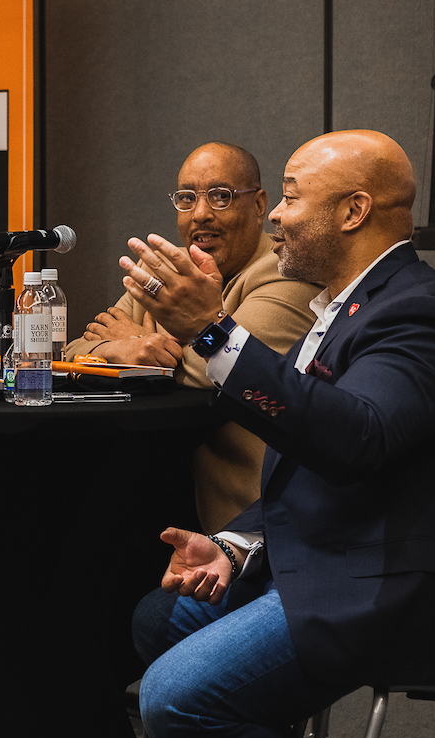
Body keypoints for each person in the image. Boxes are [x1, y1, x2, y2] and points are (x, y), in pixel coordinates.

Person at [125, 130, 435, 738]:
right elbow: (306, 468)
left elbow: (353, 440)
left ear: (353, 212)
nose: (276, 213)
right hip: (312, 555)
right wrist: (237, 543)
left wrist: (210, 333)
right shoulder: (335, 307)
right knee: (157, 618)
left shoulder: (420, 310)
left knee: (176, 698)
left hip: (376, 583)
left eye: (294, 195)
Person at [65, 142, 318, 535]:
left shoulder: (284, 270)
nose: (201, 214)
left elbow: (212, 368)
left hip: (258, 528)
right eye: (187, 198)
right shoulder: (171, 270)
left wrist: (138, 339)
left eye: (221, 197)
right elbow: (76, 350)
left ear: (259, 205)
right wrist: (122, 346)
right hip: (170, 498)